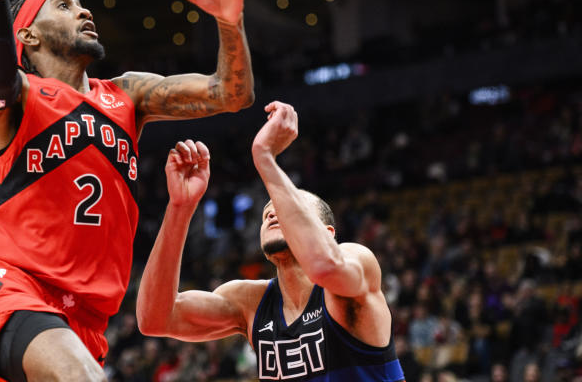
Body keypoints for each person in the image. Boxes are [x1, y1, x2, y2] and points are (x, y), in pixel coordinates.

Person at [0, 0, 256, 382]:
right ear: (27, 34)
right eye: (64, 5)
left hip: (86, 322)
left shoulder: (128, 96)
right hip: (13, 287)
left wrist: (229, 25)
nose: (85, 10)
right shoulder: (15, 97)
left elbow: (228, 94)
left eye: (82, 4)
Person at [136, 101, 405, 381]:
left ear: (328, 234)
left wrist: (265, 157)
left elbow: (325, 266)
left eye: (290, 208)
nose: (274, 212)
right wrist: (180, 207)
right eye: (267, 213)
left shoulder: (355, 260)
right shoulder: (250, 302)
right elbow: (154, 319)